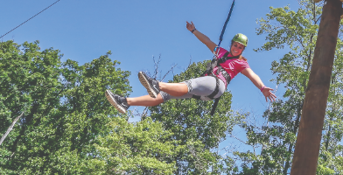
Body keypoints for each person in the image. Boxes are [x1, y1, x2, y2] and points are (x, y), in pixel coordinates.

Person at [105, 22, 277, 114]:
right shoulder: (222, 53)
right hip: (205, 89)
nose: (236, 48)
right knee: (164, 96)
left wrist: (262, 88)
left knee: (189, 83)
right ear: (231, 44)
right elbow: (207, 41)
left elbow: (252, 75)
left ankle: (156, 83)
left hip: (216, 85)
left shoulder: (241, 63)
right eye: (235, 45)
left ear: (243, 50)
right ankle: (125, 102)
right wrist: (194, 30)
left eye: (240, 47)